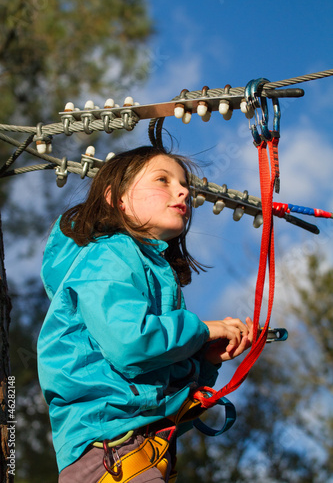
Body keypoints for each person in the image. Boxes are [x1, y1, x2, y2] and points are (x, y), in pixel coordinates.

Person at [37, 145, 253, 482]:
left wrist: (205, 362)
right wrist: (201, 330)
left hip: (136, 453)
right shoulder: (109, 254)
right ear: (116, 199)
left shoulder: (152, 272)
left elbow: (157, 396)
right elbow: (130, 344)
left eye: (184, 185)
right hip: (107, 454)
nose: (182, 191)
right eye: (162, 180)